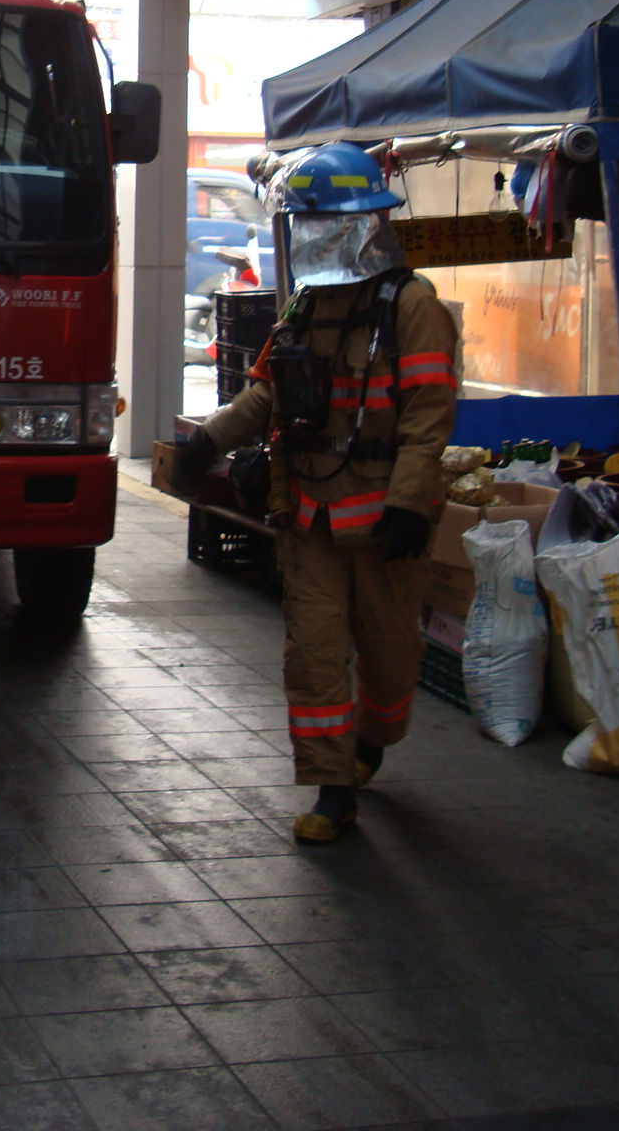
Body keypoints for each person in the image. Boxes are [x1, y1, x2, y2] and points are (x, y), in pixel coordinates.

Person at [170, 143, 458, 844]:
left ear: (361, 225)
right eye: (306, 224)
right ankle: (333, 788)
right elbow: (266, 394)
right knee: (314, 654)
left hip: (384, 520)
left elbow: (427, 417)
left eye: (322, 224)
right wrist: (207, 443)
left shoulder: (413, 306)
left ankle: (372, 741)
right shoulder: (305, 306)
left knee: (390, 660)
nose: (311, 237)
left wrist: (409, 504)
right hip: (309, 516)